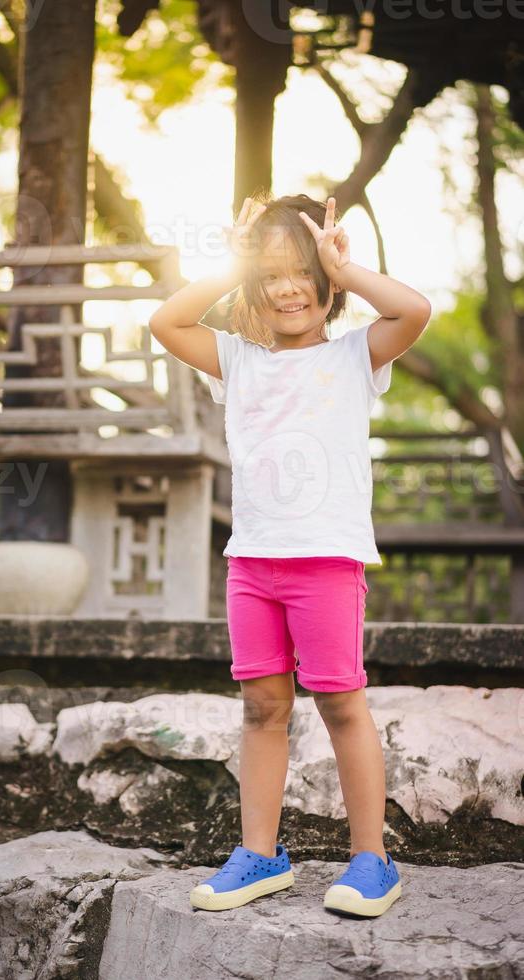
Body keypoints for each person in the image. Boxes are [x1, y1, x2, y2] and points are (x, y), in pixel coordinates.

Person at [149, 192, 431, 917]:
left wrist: (347, 265)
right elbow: (166, 321)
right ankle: (261, 855)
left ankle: (373, 860)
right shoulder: (236, 360)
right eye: (268, 272)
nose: (286, 287)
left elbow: (413, 311)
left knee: (341, 703)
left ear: (326, 280)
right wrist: (232, 262)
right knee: (261, 708)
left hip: (326, 562)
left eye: (301, 270)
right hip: (254, 564)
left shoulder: (354, 354)